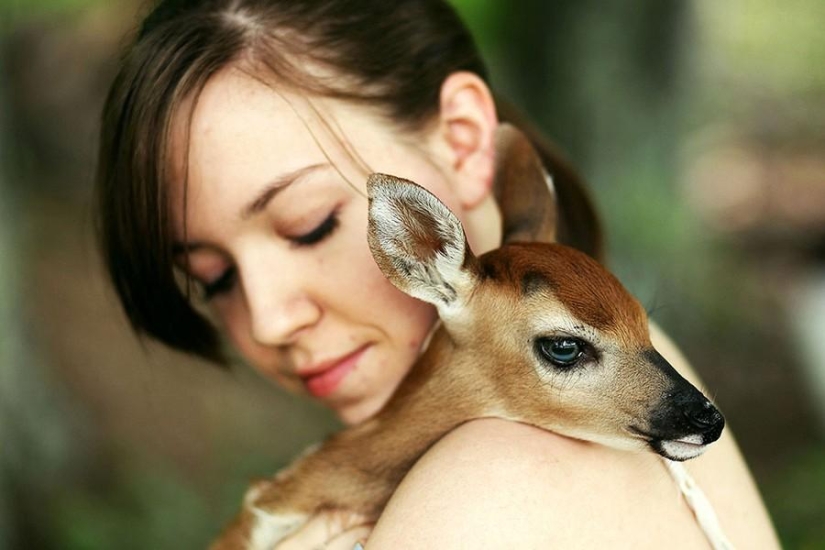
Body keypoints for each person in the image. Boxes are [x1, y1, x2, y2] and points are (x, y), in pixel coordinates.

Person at [95, 0, 780, 547]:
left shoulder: (488, 487)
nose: (270, 319)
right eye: (214, 279)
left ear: (462, 139)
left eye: (311, 225)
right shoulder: (636, 358)